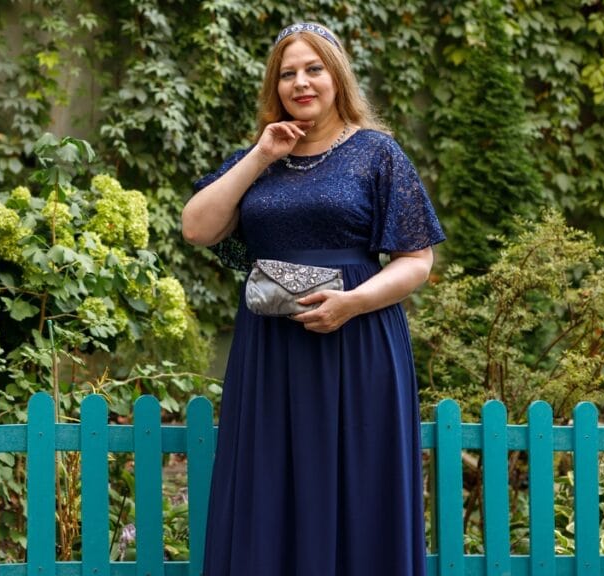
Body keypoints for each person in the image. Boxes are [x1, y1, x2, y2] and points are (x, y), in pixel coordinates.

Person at [182, 22, 445, 576]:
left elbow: (417, 261)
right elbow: (197, 228)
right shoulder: (260, 154)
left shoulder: (378, 153)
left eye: (313, 69)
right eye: (287, 74)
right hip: (269, 350)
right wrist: (260, 155)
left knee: (359, 485)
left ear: (337, 76)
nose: (301, 83)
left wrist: (351, 302)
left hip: (356, 343)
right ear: (274, 87)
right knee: (268, 485)